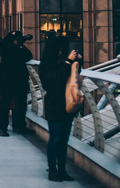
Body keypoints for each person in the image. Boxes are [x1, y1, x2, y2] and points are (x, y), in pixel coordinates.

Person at [39, 35, 81, 182]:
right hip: (54, 104)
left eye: (63, 50)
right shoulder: (45, 65)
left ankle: (62, 170)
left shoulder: (64, 61)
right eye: (59, 50)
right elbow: (57, 78)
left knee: (64, 140)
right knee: (55, 138)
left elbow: (73, 78)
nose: (61, 52)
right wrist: (69, 62)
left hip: (67, 105)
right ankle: (52, 170)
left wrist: (77, 62)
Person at [0, 31, 33, 137]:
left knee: (21, 104)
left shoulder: (19, 48)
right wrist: (13, 40)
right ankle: (2, 128)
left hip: (20, 80)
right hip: (7, 80)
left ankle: (20, 126)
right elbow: (4, 45)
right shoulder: (5, 47)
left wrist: (20, 45)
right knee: (4, 105)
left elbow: (29, 56)